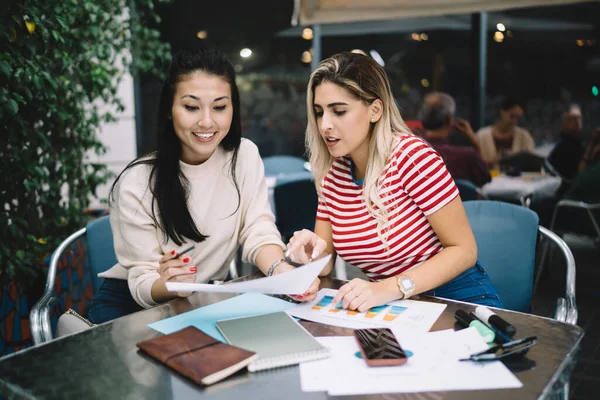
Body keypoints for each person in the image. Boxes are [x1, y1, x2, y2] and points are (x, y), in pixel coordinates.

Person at [88, 48, 318, 324]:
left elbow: (257, 229)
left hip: (197, 300)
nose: (207, 121)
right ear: (170, 110)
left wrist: (282, 272)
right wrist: (170, 283)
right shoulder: (138, 182)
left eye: (219, 107)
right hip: (131, 307)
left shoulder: (244, 156)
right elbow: (142, 280)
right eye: (191, 107)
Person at [286, 52, 502, 312]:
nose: (325, 125)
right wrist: (309, 255)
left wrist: (389, 288)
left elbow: (464, 250)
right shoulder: (334, 175)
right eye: (320, 113)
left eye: (339, 111)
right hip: (395, 308)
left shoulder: (412, 157)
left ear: (375, 110)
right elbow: (326, 261)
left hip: (458, 300)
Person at [420, 92, 491, 187]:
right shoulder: (468, 155)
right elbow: (485, 178)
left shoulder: (411, 152)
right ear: (450, 120)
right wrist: (475, 142)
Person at [476, 98, 535, 168]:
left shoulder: (524, 136)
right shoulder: (482, 135)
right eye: (512, 116)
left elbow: (531, 162)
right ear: (502, 111)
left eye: (518, 118)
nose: (514, 121)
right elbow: (476, 163)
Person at [548, 105, 585, 181]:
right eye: (572, 119)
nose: (577, 121)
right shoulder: (559, 147)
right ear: (562, 123)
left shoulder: (583, 143)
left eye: (579, 118)